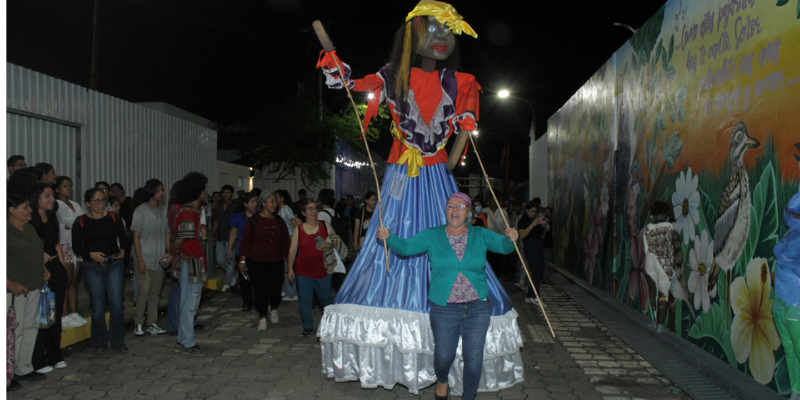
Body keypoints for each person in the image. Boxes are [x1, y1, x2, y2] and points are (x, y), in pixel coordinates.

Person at [316, 2, 524, 395]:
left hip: (436, 174)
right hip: (401, 172)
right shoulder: (391, 76)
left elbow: (464, 128)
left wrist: (461, 138)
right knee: (393, 239)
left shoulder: (462, 81)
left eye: (449, 31)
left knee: (453, 232)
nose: (442, 38)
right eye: (432, 30)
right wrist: (333, 61)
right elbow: (351, 86)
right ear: (412, 35)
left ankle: (455, 330)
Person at [377, 192, 519, 400]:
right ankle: (442, 380)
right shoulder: (432, 234)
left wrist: (512, 237)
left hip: (477, 306)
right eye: (451, 206)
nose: (455, 210)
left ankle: (468, 396)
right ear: (445, 210)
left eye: (461, 207)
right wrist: (389, 236)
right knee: (443, 357)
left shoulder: (480, 234)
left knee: (473, 358)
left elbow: (505, 248)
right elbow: (406, 248)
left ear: (469, 212)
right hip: (444, 308)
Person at [71, 188, 129, 354]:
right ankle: (99, 342)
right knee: (97, 307)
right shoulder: (80, 221)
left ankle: (118, 340)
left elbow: (124, 237)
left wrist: (123, 249)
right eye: (96, 200)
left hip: (114, 265)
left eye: (103, 200)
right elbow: (76, 246)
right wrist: (91, 254)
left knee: (117, 304)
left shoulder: (113, 217)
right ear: (88, 203)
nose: (100, 204)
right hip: (93, 267)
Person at [7, 194, 49, 386]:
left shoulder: (30, 228)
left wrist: (44, 269)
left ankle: (23, 367)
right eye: (25, 207)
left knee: (30, 326)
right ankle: (8, 372)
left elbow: (35, 252)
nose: (30, 210)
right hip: (14, 288)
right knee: (14, 330)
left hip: (33, 284)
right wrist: (9, 283)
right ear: (11, 210)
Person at [168, 172, 209, 356]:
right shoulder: (188, 213)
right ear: (198, 191)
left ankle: (182, 341)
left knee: (189, 303)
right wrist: (171, 251)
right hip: (191, 263)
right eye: (204, 189)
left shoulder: (188, 211)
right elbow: (181, 241)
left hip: (192, 262)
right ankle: (187, 342)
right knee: (190, 304)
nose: (206, 193)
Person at [29, 184, 69, 373]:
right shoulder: (31, 222)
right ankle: (39, 359)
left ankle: (55, 355)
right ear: (36, 198)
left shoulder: (52, 219)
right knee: (42, 315)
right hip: (39, 270)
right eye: (47, 195)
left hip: (55, 267)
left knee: (55, 315)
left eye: (52, 195)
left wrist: (61, 267)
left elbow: (57, 245)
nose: (51, 199)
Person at [239, 192, 290, 331]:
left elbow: (286, 243)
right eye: (271, 201)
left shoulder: (279, 221)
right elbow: (245, 241)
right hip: (256, 261)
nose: (274, 204)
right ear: (263, 203)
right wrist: (242, 261)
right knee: (260, 289)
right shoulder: (253, 221)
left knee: (275, 288)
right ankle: (262, 317)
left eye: (275, 202)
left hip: (276, 260)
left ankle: (273, 307)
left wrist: (290, 263)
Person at [287, 199, 335, 337]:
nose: (313, 211)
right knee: (304, 299)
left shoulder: (324, 225)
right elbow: (292, 249)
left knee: (325, 299)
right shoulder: (299, 229)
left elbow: (336, 241)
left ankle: (328, 326)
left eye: (315, 208)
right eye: (310, 209)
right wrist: (290, 268)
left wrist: (327, 245)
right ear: (303, 213)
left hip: (323, 269)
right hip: (304, 270)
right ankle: (307, 326)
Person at [131, 179, 170, 336]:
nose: (161, 193)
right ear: (150, 192)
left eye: (162, 190)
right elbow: (136, 236)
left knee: (155, 291)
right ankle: (138, 322)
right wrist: (139, 260)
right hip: (144, 257)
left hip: (159, 258)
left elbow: (167, 233)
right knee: (144, 291)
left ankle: (152, 323)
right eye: (158, 190)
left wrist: (168, 253)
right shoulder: (140, 211)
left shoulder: (163, 211)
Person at [54, 176, 88, 328]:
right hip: (65, 244)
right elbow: (73, 221)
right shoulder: (57, 204)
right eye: (65, 186)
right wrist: (77, 222)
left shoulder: (74, 204)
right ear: (57, 189)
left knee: (74, 280)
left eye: (70, 186)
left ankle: (73, 312)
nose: (69, 189)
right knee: (66, 281)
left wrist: (78, 222)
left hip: (76, 245)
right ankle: (63, 313)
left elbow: (83, 221)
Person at [227, 192, 260, 311]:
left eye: (256, 201)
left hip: (257, 252)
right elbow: (233, 233)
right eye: (252, 202)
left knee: (258, 279)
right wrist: (230, 248)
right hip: (242, 252)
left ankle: (259, 301)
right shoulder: (238, 217)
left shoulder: (260, 216)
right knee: (245, 279)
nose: (255, 204)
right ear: (245, 204)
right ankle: (247, 302)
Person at [517, 202, 548, 305]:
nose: (534, 213)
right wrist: (532, 224)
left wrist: (543, 225)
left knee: (539, 270)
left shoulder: (536, 220)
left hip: (538, 244)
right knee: (537, 269)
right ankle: (535, 296)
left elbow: (542, 235)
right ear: (527, 210)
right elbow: (522, 236)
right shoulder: (523, 221)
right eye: (532, 211)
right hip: (529, 245)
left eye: (535, 211)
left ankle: (530, 295)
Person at [212, 185, 238, 292]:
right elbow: (216, 221)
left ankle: (227, 283)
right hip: (220, 236)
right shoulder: (219, 206)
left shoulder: (236, 206)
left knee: (230, 260)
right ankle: (234, 274)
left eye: (228, 192)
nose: (225, 195)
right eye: (224, 192)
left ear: (232, 194)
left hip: (231, 237)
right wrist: (213, 234)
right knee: (220, 260)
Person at [275, 189, 300, 301]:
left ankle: (292, 293)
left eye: (276, 197)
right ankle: (286, 290)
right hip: (283, 239)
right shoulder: (279, 210)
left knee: (287, 265)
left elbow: (293, 222)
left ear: (282, 198)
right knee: (284, 264)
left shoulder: (286, 209)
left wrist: (296, 237)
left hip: (289, 238)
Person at [484, 197, 510, 279]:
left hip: (499, 240)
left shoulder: (503, 212)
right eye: (492, 200)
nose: (494, 202)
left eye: (496, 200)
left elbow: (507, 226)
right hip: (487, 241)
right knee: (488, 261)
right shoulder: (485, 211)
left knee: (498, 262)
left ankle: (497, 279)